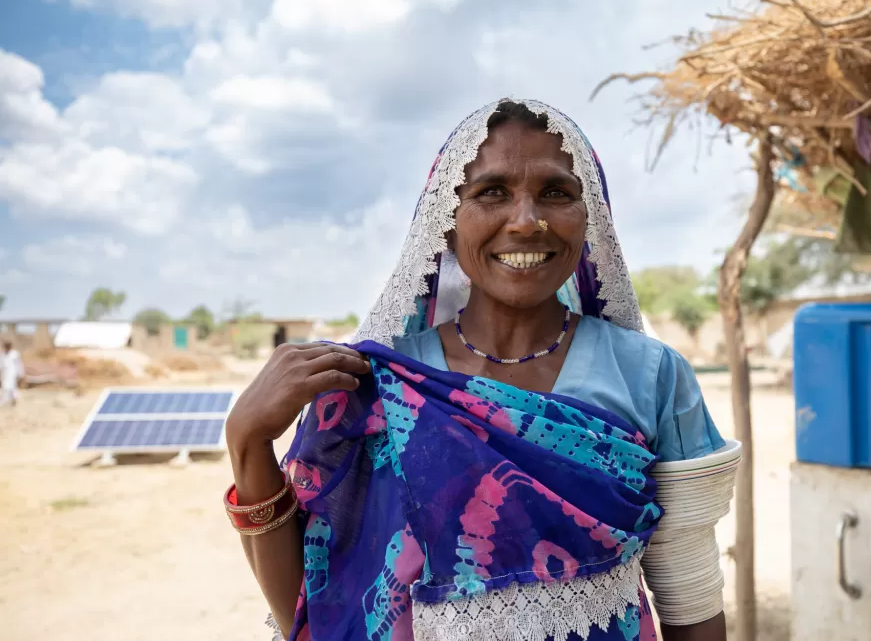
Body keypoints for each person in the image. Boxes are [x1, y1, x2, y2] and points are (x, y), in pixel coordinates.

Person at [224, 99, 740, 641]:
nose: (526, 220)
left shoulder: (651, 373)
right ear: (445, 223)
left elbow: (689, 590)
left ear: (591, 222)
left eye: (556, 193)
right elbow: (314, 610)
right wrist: (247, 443)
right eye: (492, 192)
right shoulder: (372, 390)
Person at [1, 340, 22, 407]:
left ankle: (13, 401)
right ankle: (7, 400)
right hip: (5, 374)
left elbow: (19, 364)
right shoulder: (3, 354)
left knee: (12, 387)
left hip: (13, 373)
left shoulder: (15, 354)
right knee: (6, 387)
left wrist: (20, 373)